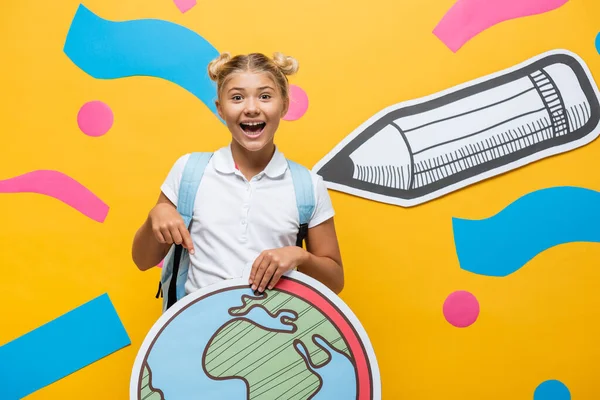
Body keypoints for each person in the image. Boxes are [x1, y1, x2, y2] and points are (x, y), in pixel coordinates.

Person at [131, 52, 344, 297]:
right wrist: (155, 216)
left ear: (284, 105)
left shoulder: (308, 186)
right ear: (220, 109)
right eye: (237, 98)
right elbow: (142, 260)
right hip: (192, 331)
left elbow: (334, 282)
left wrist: (300, 256)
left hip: (271, 331)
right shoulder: (189, 171)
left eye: (265, 96)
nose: (251, 108)